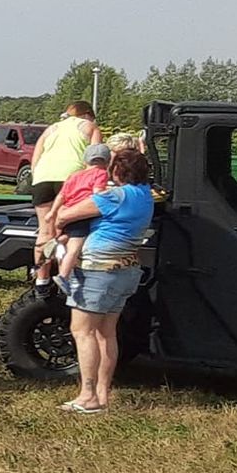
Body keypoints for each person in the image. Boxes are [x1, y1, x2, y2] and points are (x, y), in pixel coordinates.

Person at [53, 149, 155, 414]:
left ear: (117, 171)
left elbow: (65, 216)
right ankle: (102, 395)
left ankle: (87, 396)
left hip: (98, 272)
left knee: (82, 331)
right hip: (127, 270)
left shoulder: (114, 196)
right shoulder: (145, 196)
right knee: (106, 333)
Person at [28, 101, 103, 264]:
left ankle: (41, 280)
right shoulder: (90, 127)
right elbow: (94, 159)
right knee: (71, 230)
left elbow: (35, 158)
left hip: (43, 177)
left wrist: (37, 177)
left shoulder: (51, 129)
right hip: (72, 178)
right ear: (87, 115)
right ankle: (65, 275)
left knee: (45, 231)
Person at [42, 142, 113, 293]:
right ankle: (63, 276)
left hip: (68, 211)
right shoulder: (101, 174)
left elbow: (62, 195)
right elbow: (97, 192)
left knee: (71, 235)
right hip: (81, 213)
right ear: (107, 162)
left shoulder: (75, 175)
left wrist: (52, 212)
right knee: (75, 248)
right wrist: (113, 193)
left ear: (85, 160)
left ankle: (57, 241)